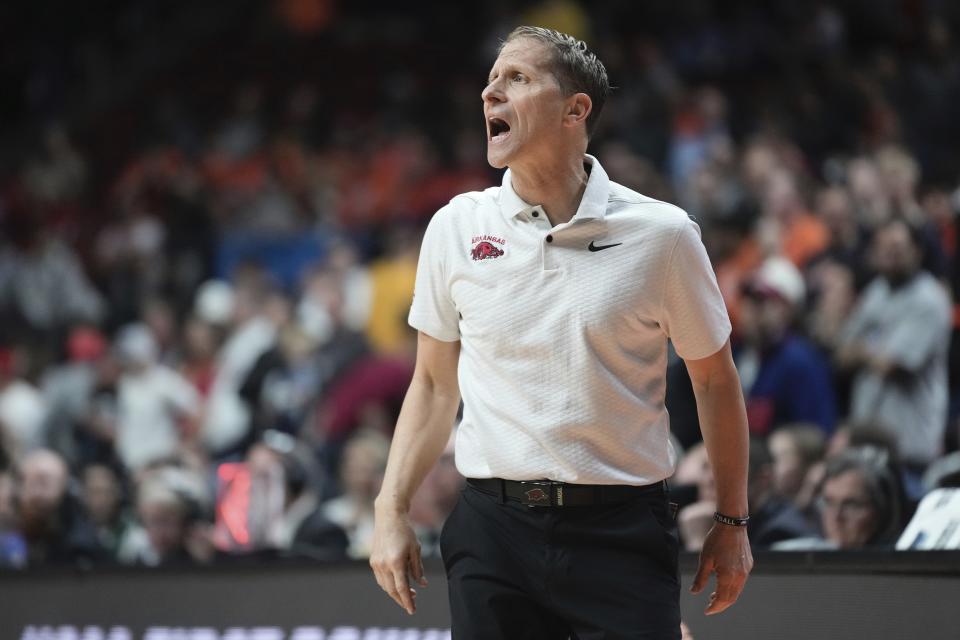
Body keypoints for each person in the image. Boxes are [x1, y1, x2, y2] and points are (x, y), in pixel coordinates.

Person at [370, 26, 752, 638]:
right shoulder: (455, 226)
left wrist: (732, 523)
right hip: (491, 529)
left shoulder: (664, 234)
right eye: (492, 79)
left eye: (517, 78)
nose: (491, 92)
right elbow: (435, 386)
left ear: (576, 109)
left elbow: (714, 382)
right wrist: (390, 509)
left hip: (621, 531)